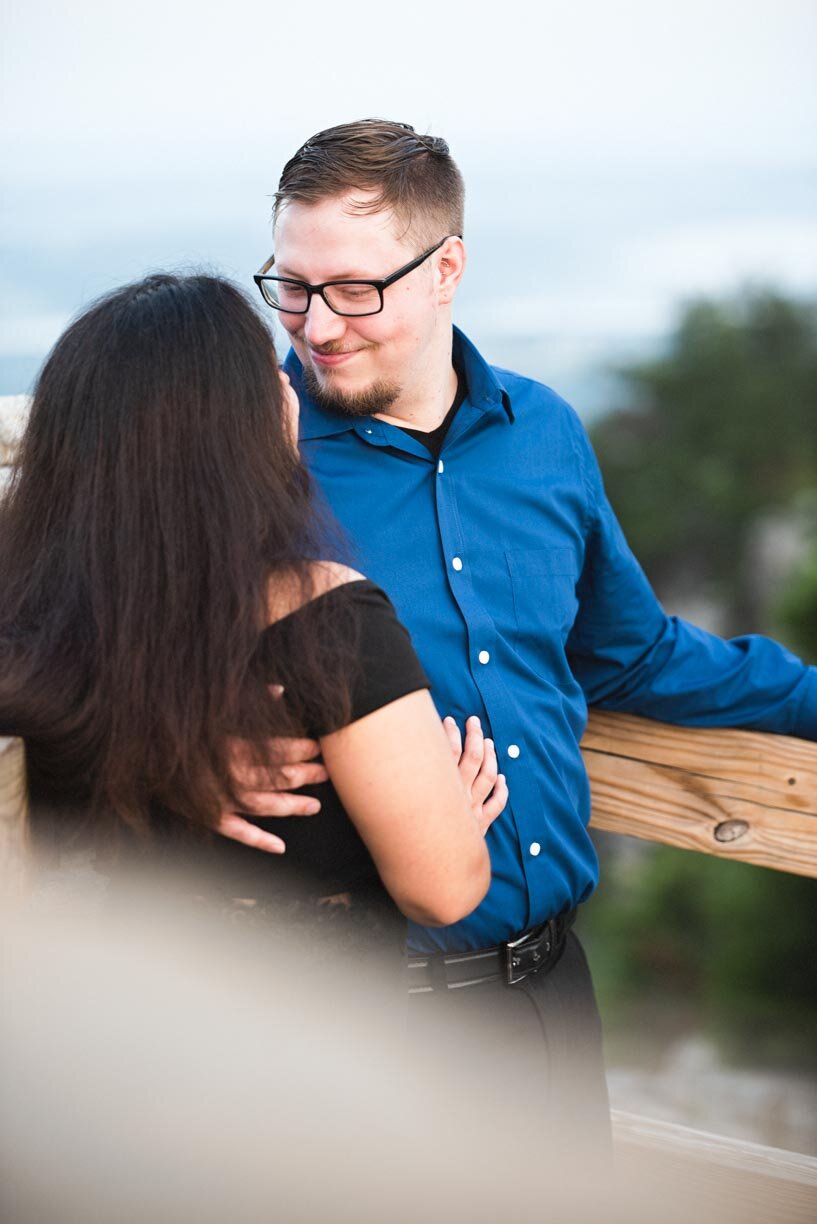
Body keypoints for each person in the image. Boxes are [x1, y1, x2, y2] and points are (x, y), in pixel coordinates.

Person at [219, 117, 817, 1142]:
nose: (315, 326)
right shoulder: (241, 451)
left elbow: (630, 655)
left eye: (355, 289)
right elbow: (83, 653)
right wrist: (185, 749)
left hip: (549, 995)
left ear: (446, 267)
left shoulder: (543, 431)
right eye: (293, 286)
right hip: (346, 1016)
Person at [0, 271, 509, 955]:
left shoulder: (42, 619)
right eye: (269, 375)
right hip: (304, 1040)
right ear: (245, 423)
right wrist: (450, 817)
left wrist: (152, 756)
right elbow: (443, 891)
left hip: (117, 1027)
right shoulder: (326, 617)